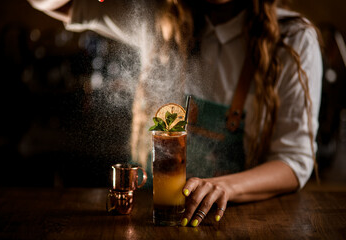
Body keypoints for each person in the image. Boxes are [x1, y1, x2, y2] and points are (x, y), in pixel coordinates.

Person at [28, 0, 322, 227]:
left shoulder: (294, 38)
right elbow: (50, 4)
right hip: (144, 219)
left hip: (232, 223)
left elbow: (294, 162)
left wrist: (224, 187)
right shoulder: (158, 19)